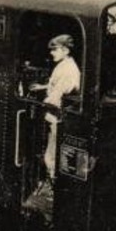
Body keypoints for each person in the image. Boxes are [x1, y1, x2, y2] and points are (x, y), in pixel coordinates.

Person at [31, 34, 81, 180]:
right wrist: (43, 86)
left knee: (50, 156)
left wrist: (39, 103)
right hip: (55, 116)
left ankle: (52, 183)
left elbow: (57, 95)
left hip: (56, 117)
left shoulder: (68, 70)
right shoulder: (65, 65)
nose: (51, 53)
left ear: (65, 50)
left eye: (55, 49)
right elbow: (57, 85)